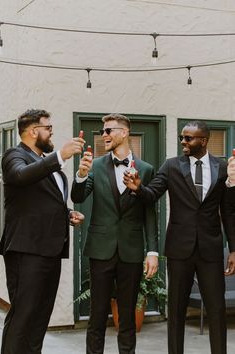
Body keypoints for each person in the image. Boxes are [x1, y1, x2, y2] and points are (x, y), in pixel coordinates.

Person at [123, 120, 235, 354]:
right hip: (179, 250)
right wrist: (138, 188)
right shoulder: (172, 166)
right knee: (176, 311)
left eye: (188, 138)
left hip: (210, 250)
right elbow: (152, 193)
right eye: (182, 137)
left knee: (216, 311)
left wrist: (233, 249)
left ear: (203, 141)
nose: (183, 141)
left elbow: (228, 210)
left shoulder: (222, 167)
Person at [0, 109, 85, 354]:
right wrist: (60, 155)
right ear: (33, 131)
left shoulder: (47, 165)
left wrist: (67, 213)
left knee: (39, 319)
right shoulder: (15, 155)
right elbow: (19, 176)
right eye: (48, 128)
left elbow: (43, 201)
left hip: (51, 250)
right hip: (26, 250)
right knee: (23, 317)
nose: (52, 132)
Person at [71, 113, 158, 354]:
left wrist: (152, 251)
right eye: (103, 131)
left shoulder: (146, 169)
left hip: (131, 250)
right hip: (101, 249)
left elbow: (149, 211)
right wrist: (80, 174)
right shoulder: (96, 165)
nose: (104, 135)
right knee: (97, 317)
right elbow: (77, 197)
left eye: (109, 130)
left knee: (128, 317)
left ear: (124, 132)